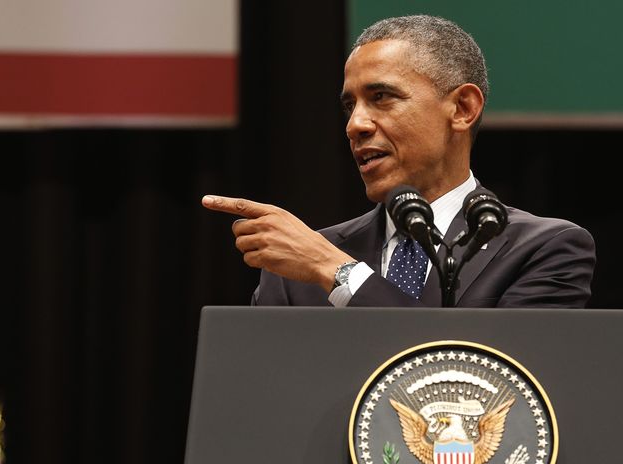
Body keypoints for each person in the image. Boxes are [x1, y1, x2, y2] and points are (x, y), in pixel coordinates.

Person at [202, 15, 595, 308]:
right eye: (349, 105)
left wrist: (340, 274)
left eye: (381, 97)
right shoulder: (292, 270)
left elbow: (485, 385)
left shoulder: (544, 250)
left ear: (462, 108)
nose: (354, 125)